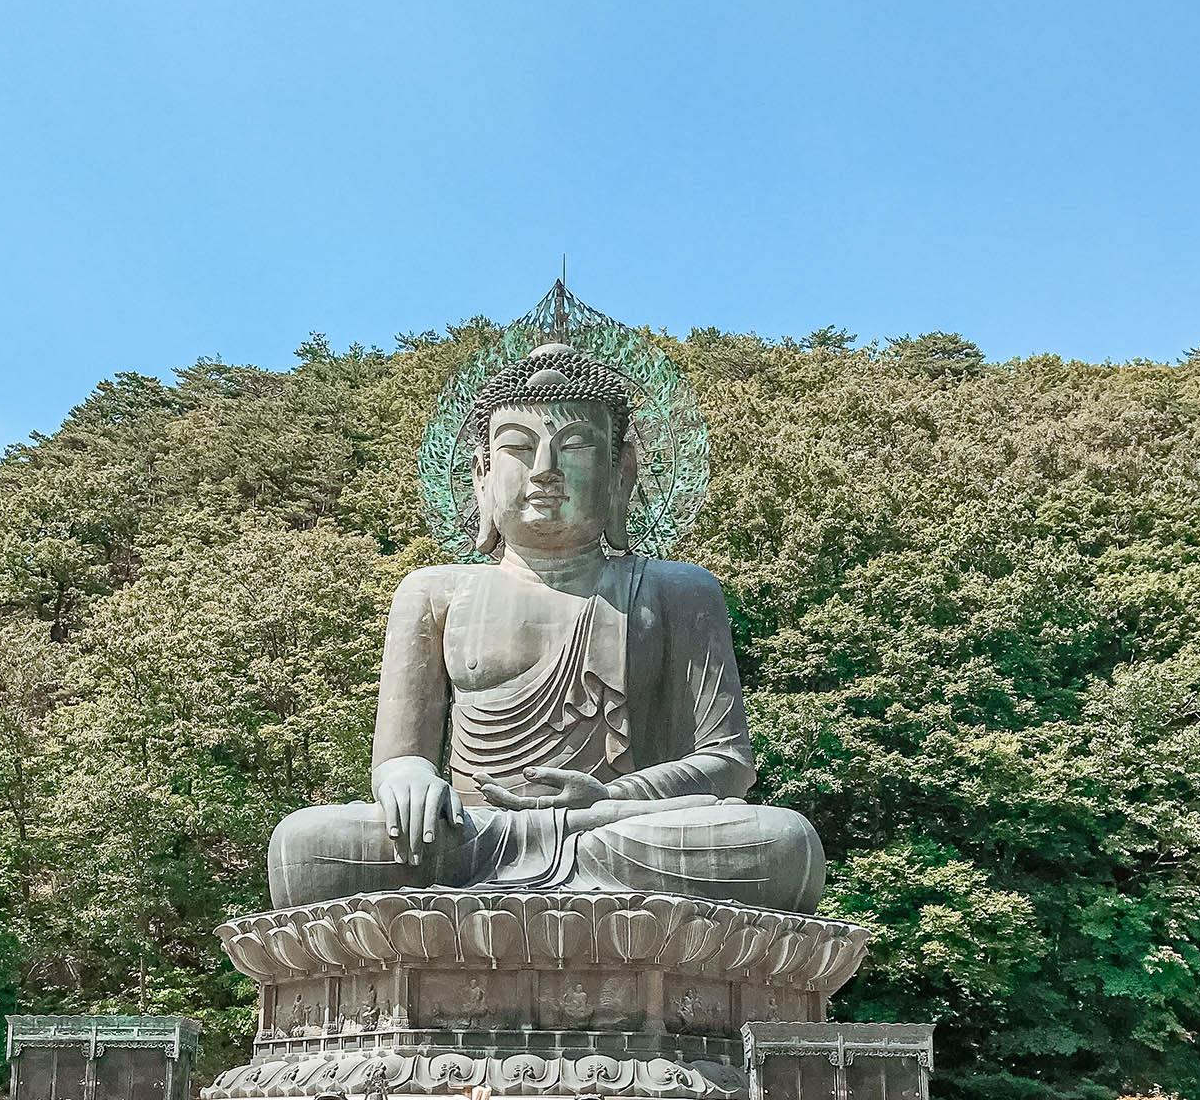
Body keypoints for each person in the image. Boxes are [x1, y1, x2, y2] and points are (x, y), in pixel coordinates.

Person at [268, 341, 824, 912]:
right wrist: (407, 778)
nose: (544, 472)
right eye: (517, 448)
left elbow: (727, 764)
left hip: (619, 829)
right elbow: (397, 757)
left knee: (781, 843)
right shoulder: (434, 591)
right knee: (307, 846)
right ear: (482, 476)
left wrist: (611, 796)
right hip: (473, 833)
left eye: (576, 446)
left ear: (620, 472)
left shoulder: (678, 590)